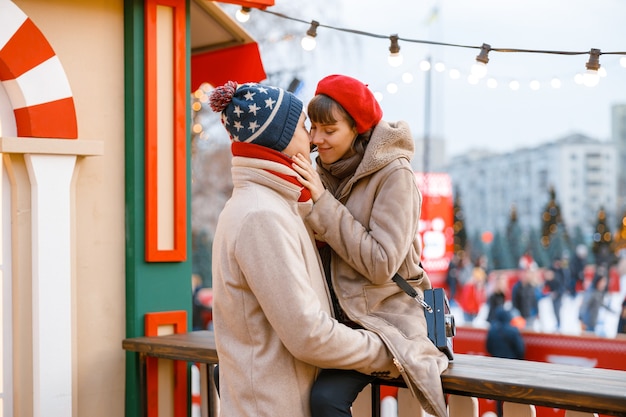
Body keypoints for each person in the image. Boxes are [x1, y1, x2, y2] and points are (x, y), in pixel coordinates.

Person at [208, 81, 401, 417]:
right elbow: (309, 334)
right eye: (302, 127)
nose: (311, 139)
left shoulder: (273, 205)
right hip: (271, 406)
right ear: (279, 139)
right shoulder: (261, 216)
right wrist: (390, 351)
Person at [292, 74, 449, 417]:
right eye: (313, 128)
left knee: (325, 399)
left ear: (358, 129)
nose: (317, 139)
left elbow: (381, 264)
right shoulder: (322, 171)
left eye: (329, 130)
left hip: (384, 319)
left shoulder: (395, 176)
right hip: (331, 320)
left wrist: (322, 202)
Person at [486, 306, 525, 417]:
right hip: (511, 370)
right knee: (512, 397)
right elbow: (521, 350)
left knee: (498, 397)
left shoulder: (492, 331)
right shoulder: (513, 331)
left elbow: (488, 347)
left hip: (496, 369)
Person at [579, 266, 610, 333]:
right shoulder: (591, 292)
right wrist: (581, 319)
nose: (604, 284)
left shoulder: (598, 293)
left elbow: (601, 304)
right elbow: (584, 305)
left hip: (593, 323)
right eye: (603, 282)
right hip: (587, 324)